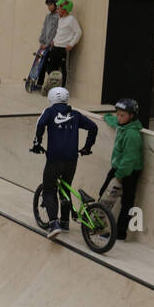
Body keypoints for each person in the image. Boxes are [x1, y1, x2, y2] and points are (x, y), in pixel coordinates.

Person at [32, 86, 98, 239]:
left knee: (49, 189)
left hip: (54, 158)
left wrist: (37, 144)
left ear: (51, 99)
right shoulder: (75, 114)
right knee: (65, 187)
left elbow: (40, 124)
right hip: (72, 159)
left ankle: (54, 223)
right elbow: (93, 127)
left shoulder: (49, 112)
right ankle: (65, 222)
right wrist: (87, 148)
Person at [103, 98, 144, 242]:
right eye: (118, 114)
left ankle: (120, 234)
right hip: (118, 167)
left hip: (129, 172)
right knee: (105, 194)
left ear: (132, 116)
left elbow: (129, 159)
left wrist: (119, 176)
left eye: (122, 115)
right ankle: (100, 226)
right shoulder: (122, 125)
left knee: (126, 203)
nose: (119, 118)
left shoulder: (132, 134)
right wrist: (107, 117)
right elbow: (115, 122)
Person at [43, 0, 80, 87]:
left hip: (63, 48)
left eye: (59, 8)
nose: (57, 10)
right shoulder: (61, 19)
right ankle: (52, 86)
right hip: (55, 47)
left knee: (63, 69)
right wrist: (54, 41)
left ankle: (63, 88)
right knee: (51, 68)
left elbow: (78, 32)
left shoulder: (71, 19)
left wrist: (71, 44)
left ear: (64, 9)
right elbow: (59, 32)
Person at [35, 0, 60, 91]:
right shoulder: (48, 17)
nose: (49, 7)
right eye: (48, 5)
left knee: (50, 67)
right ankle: (39, 84)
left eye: (50, 4)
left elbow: (55, 32)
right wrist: (41, 41)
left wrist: (48, 44)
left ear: (56, 5)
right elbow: (44, 29)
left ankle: (52, 86)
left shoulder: (58, 18)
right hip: (44, 46)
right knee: (40, 65)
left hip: (52, 47)